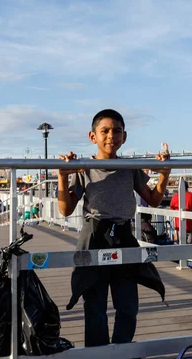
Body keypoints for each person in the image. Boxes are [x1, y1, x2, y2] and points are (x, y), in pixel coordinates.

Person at [58, 109, 169, 347]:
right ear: (92, 136)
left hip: (124, 235)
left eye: (116, 131)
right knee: (95, 305)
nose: (111, 136)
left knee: (128, 304)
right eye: (105, 131)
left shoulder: (130, 168)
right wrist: (62, 175)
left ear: (124, 136)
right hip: (94, 236)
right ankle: (97, 353)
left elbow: (153, 199)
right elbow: (65, 209)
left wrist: (164, 175)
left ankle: (122, 350)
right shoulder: (84, 167)